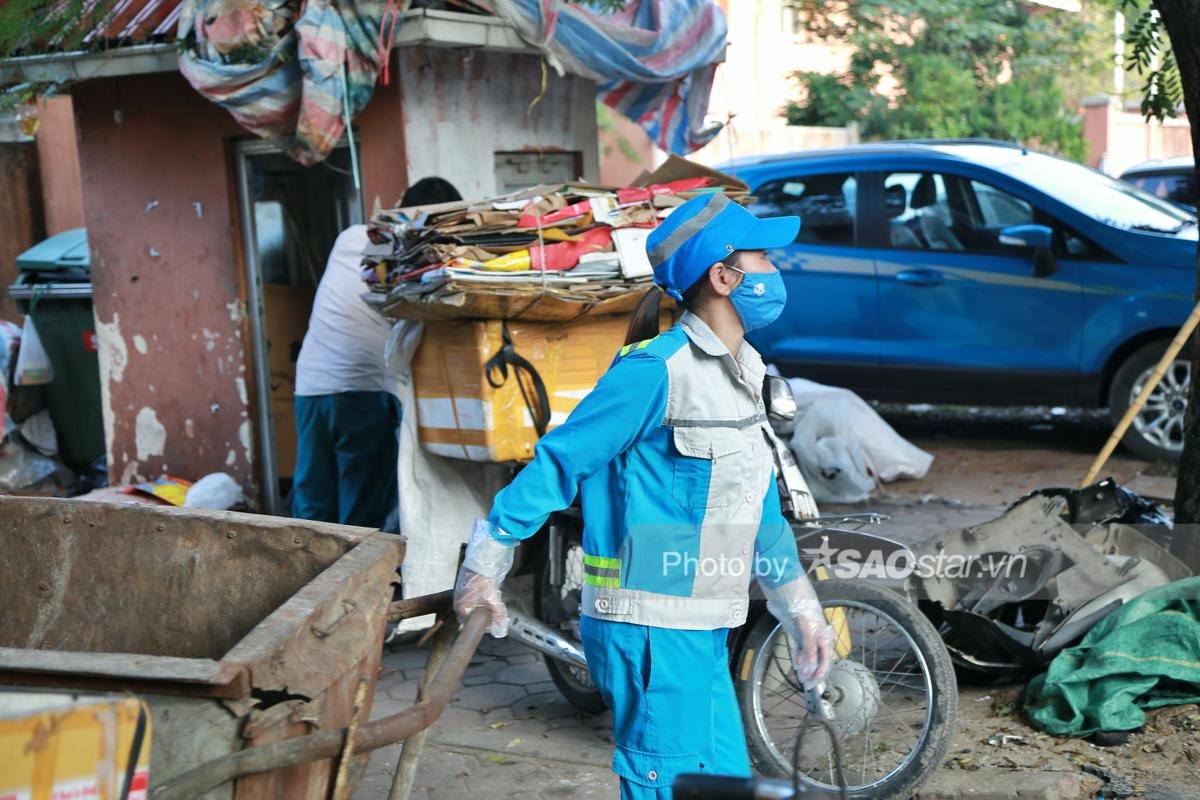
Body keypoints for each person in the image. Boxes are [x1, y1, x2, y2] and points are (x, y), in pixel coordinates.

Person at [452, 192, 835, 798]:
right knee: (670, 787)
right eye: (763, 259)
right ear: (724, 276)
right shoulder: (655, 372)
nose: (775, 272)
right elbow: (558, 462)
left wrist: (801, 611)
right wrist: (483, 566)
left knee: (724, 787)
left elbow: (757, 507)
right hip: (652, 628)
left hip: (705, 625)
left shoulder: (749, 371)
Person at [292, 177, 461, 527]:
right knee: (361, 512)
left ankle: (307, 579)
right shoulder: (420, 255)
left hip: (310, 387)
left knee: (312, 504)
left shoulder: (349, 237)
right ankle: (353, 581)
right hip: (362, 392)